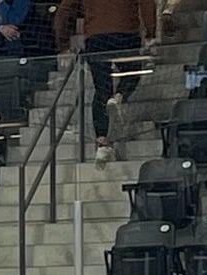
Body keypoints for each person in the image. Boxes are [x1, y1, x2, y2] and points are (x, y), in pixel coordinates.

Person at [55, 0, 156, 164]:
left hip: (96, 38)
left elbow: (65, 10)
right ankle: (119, 96)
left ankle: (102, 141)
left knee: (102, 88)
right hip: (127, 34)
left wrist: (63, 44)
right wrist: (151, 32)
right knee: (132, 72)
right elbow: (147, 4)